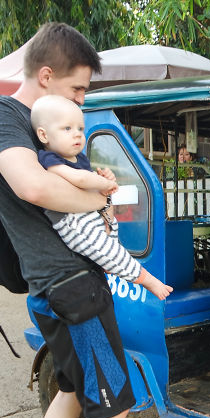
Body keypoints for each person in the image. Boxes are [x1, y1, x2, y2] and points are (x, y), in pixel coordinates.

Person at [0, 22, 158, 418]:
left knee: (74, 391)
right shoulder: (3, 117)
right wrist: (99, 195)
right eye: (77, 90)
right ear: (47, 75)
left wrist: (86, 185)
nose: (80, 102)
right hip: (72, 291)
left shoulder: (37, 128)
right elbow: (34, 187)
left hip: (61, 287)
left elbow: (54, 184)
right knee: (112, 407)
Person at [30, 94, 172, 298]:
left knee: (112, 232)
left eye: (80, 128)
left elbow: (88, 185)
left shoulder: (79, 159)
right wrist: (103, 183)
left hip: (89, 214)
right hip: (72, 222)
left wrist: (104, 184)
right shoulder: (50, 160)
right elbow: (80, 179)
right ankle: (146, 279)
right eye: (67, 129)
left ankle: (108, 264)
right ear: (44, 135)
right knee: (106, 248)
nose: (77, 135)